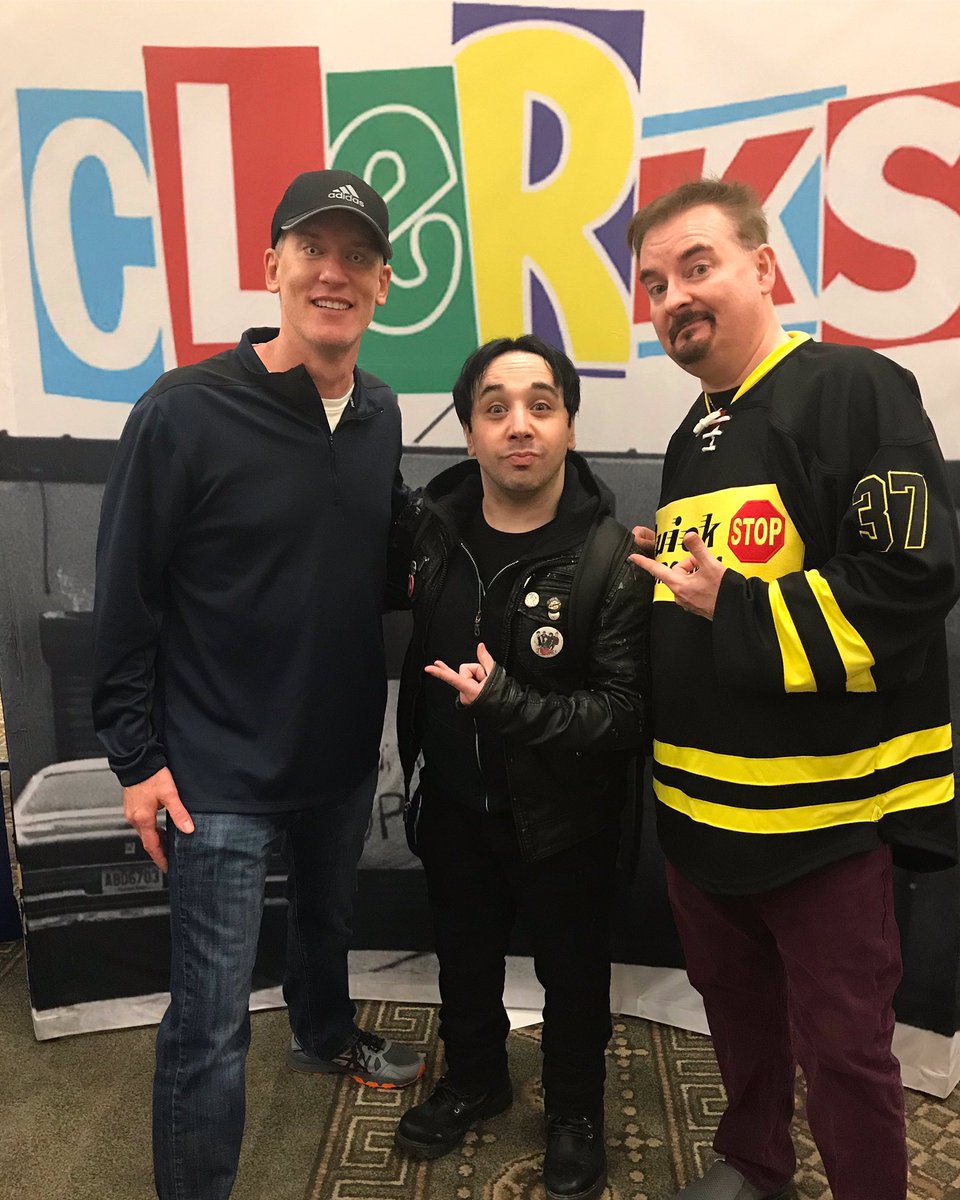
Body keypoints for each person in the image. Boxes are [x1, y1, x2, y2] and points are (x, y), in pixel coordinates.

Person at [92, 168, 424, 1200]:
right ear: (271, 265)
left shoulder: (378, 410)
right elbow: (125, 599)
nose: (335, 271)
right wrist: (138, 760)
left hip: (333, 753)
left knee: (327, 935)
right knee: (211, 1023)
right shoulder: (182, 412)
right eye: (312, 249)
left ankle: (326, 1037)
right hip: (215, 771)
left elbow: (376, 561)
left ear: (381, 285)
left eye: (357, 255)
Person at [626, 177, 960, 1200]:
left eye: (698, 265)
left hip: (821, 824)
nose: (674, 295)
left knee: (846, 1051)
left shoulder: (856, 389)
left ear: (763, 268)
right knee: (737, 1019)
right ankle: (753, 1163)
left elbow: (909, 581)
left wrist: (730, 610)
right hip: (697, 817)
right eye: (652, 282)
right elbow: (715, 597)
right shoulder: (695, 434)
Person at [389, 335, 649, 1200]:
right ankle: (475, 1080)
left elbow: (620, 714)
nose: (519, 425)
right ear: (468, 434)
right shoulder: (432, 534)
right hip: (454, 810)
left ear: (570, 427)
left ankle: (574, 1112)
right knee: (463, 961)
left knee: (573, 980)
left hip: (565, 821)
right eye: (495, 408)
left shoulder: (610, 557)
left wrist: (507, 705)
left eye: (541, 404)